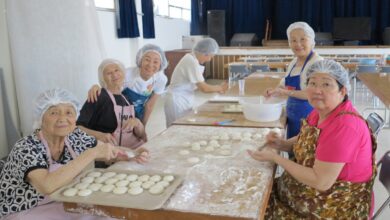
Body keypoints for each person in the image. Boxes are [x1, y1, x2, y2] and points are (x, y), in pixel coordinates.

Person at [248, 60, 376, 219]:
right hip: (303, 192)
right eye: (312, 83)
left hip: (336, 205)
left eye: (326, 85)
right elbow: (308, 138)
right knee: (252, 195)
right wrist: (281, 144)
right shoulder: (319, 111)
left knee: (252, 212)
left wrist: (276, 158)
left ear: (342, 91)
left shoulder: (345, 126)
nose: (317, 90)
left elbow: (321, 181)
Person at [0, 88, 148, 219]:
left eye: (69, 112)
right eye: (54, 113)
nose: (63, 119)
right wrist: (91, 154)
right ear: (41, 118)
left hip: (63, 201)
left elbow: (108, 151)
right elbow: (47, 185)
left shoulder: (75, 136)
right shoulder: (26, 147)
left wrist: (132, 154)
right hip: (25, 210)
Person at [265, 22, 323, 138]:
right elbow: (283, 85)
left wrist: (285, 92)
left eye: (303, 39)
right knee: (293, 151)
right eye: (293, 40)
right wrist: (274, 91)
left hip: (310, 119)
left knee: (307, 152)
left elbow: (311, 93)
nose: (298, 44)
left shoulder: (317, 63)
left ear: (312, 41)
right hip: (293, 118)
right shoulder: (293, 63)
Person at [88, 44, 168, 124]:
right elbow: (109, 90)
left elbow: (150, 105)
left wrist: (143, 125)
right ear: (140, 60)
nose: (150, 65)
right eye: (147, 60)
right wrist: (96, 87)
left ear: (160, 65)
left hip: (138, 113)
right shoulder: (127, 74)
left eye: (156, 62)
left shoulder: (161, 79)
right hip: (119, 111)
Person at [78, 59, 146, 150]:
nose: (114, 75)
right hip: (111, 154)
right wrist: (99, 135)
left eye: (117, 70)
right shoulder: (98, 96)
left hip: (134, 149)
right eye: (109, 73)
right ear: (103, 79)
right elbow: (77, 128)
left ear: (123, 73)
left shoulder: (127, 99)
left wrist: (138, 123)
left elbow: (142, 135)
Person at [164, 37, 228, 127]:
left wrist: (217, 89)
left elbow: (198, 85)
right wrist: (220, 87)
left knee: (184, 126)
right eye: (210, 56)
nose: (209, 60)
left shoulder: (193, 60)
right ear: (204, 53)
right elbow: (203, 88)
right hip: (177, 100)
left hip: (184, 98)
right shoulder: (190, 61)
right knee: (176, 128)